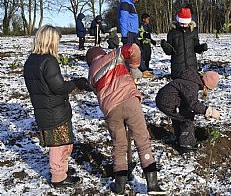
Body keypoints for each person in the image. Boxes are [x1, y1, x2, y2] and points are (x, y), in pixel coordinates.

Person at [85, 45, 165, 195]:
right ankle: (153, 185)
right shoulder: (115, 55)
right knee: (142, 140)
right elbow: (134, 48)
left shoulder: (91, 75)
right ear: (103, 53)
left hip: (111, 110)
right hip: (130, 101)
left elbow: (99, 92)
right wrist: (134, 66)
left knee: (119, 146)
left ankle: (120, 187)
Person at [23, 25, 89, 188]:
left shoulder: (31, 60)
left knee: (61, 143)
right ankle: (58, 177)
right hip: (54, 110)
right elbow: (58, 88)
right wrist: (76, 83)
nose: (57, 44)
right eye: (57, 41)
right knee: (60, 145)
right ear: (50, 41)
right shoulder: (49, 60)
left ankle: (61, 169)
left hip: (44, 109)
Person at [156, 69, 220, 153]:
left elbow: (189, 101)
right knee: (187, 118)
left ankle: (179, 138)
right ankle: (186, 146)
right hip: (167, 102)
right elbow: (193, 104)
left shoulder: (192, 79)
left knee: (180, 116)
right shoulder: (192, 85)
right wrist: (208, 111)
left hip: (167, 99)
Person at [161, 7, 208, 79]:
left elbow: (196, 47)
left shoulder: (193, 32)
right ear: (178, 21)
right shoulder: (172, 33)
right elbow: (169, 51)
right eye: (181, 23)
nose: (183, 25)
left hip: (191, 69)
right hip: (177, 70)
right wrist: (165, 46)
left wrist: (201, 47)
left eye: (185, 24)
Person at [118, 0, 153, 78]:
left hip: (133, 32)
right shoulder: (126, 3)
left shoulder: (130, 3)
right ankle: (131, 71)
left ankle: (143, 69)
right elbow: (123, 20)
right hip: (129, 33)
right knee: (131, 53)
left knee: (138, 51)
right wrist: (124, 35)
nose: (137, 0)